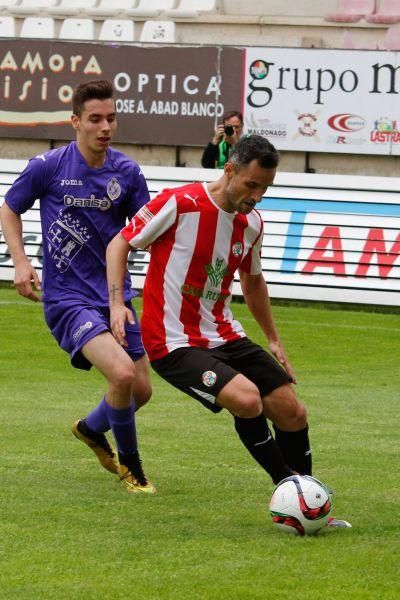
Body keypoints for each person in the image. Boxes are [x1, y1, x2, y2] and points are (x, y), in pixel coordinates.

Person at [106, 134, 351, 528]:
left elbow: (253, 282)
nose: (257, 196)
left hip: (225, 334)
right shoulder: (180, 203)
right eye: (252, 185)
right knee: (248, 399)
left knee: (292, 410)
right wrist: (117, 302)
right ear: (230, 170)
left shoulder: (251, 224)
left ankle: (307, 500)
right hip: (171, 341)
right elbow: (120, 244)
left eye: (265, 188)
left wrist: (273, 338)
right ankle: (291, 494)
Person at [0, 79, 156, 494]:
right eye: (95, 119)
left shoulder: (126, 172)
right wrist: (20, 261)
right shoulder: (47, 166)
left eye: (111, 118)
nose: (105, 127)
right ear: (75, 121)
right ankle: (133, 469)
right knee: (122, 375)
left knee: (140, 390)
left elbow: (145, 231)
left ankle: (89, 429)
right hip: (67, 298)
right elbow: (9, 209)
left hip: (113, 297)